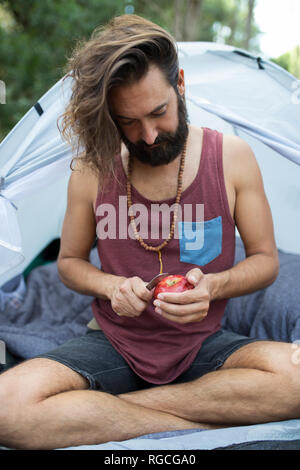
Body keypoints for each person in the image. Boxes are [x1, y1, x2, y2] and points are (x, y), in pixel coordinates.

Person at [0, 14, 299, 451]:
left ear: (180, 83)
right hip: (113, 343)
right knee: (8, 406)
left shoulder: (232, 158)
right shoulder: (91, 168)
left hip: (205, 344)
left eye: (159, 112)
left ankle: (118, 411)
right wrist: (111, 285)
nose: (149, 134)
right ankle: (202, 425)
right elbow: (68, 263)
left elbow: (265, 261)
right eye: (129, 121)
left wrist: (214, 286)